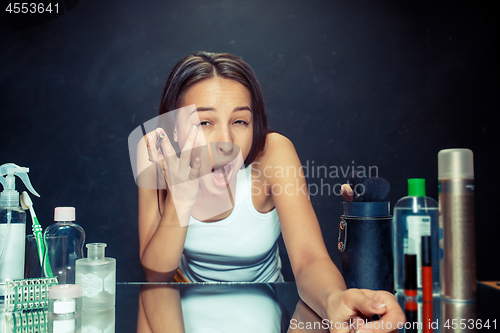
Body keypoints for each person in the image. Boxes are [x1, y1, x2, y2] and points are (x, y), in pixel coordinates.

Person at [137, 51, 405, 331]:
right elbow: (156, 274)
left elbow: (308, 259)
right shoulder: (156, 152)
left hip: (265, 311)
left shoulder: (274, 152)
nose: (226, 142)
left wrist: (333, 300)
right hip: (185, 310)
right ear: (175, 129)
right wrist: (181, 199)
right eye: (205, 122)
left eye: (240, 121)